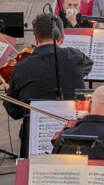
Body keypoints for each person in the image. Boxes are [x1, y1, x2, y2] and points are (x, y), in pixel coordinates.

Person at [6, 12, 94, 157]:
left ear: (35, 38)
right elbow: (88, 66)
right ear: (62, 37)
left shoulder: (20, 68)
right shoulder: (75, 56)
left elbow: (14, 112)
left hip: (34, 135)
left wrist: (10, 89)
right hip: (73, 133)